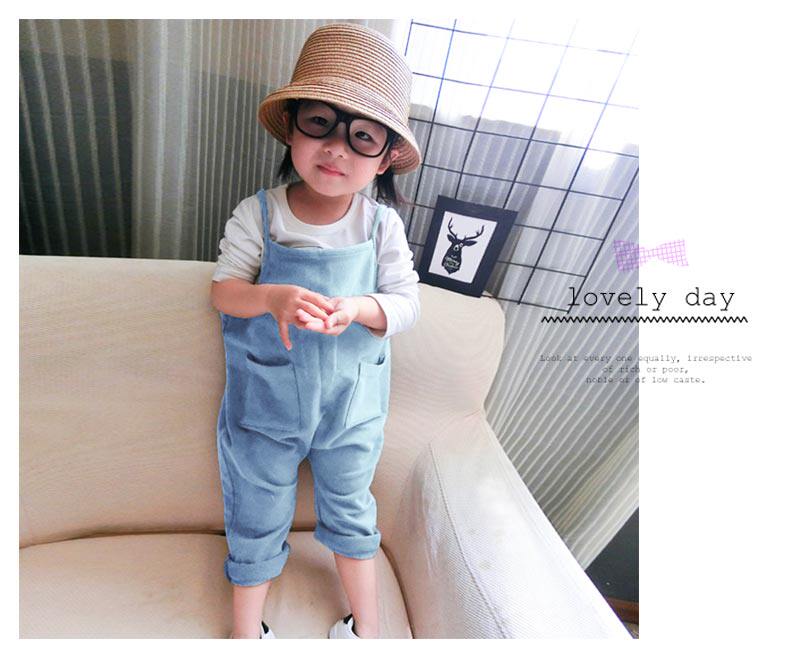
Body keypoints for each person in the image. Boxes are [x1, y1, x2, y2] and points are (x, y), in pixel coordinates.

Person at [210, 23, 422, 639]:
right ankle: (245, 634)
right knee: (256, 513)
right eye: (319, 124)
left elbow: (406, 304)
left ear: (385, 157)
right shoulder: (260, 214)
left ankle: (366, 631)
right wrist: (270, 296)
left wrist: (358, 308)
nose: (336, 149)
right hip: (265, 405)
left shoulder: (381, 227)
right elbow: (224, 291)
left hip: (351, 409)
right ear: (291, 128)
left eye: (362, 137)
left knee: (352, 513)